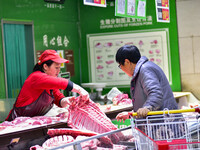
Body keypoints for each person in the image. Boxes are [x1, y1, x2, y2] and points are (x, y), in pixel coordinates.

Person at [6, 50, 89, 121]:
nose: (59, 71)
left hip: (31, 124)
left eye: (60, 68)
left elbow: (59, 99)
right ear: (45, 66)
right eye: (56, 68)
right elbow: (60, 82)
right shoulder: (36, 77)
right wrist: (80, 90)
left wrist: (66, 100)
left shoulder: (50, 83)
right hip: (15, 125)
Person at [115, 45, 179, 122]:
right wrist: (131, 114)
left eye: (120, 65)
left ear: (127, 62)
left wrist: (147, 107)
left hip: (164, 124)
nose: (121, 69)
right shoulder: (142, 70)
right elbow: (143, 101)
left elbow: (155, 93)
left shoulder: (145, 70)